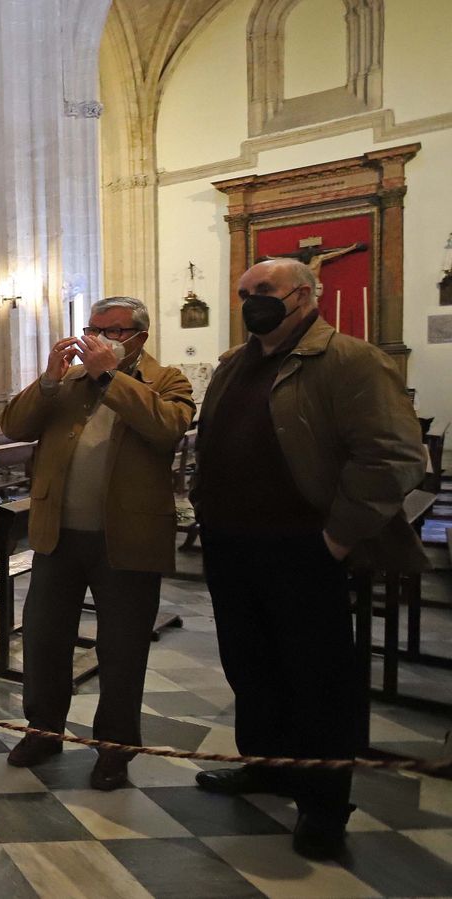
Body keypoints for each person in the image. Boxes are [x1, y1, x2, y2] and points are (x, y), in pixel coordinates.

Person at [191, 258, 425, 861]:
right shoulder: (232, 365)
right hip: (232, 542)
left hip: (302, 546)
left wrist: (337, 539)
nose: (249, 302)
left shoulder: (349, 359)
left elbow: (392, 456)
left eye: (261, 292)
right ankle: (267, 766)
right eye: (242, 292)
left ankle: (323, 805)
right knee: (250, 665)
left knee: (318, 679)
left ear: (302, 295)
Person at [0, 297, 195, 791]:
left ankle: (115, 749)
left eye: (113, 329)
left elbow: (167, 427)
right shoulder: (68, 381)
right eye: (93, 327)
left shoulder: (167, 379)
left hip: (126, 537)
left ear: (139, 337)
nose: (99, 337)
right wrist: (47, 378)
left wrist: (111, 377)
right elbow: (14, 426)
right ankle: (44, 732)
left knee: (122, 649)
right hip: (58, 534)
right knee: (44, 641)